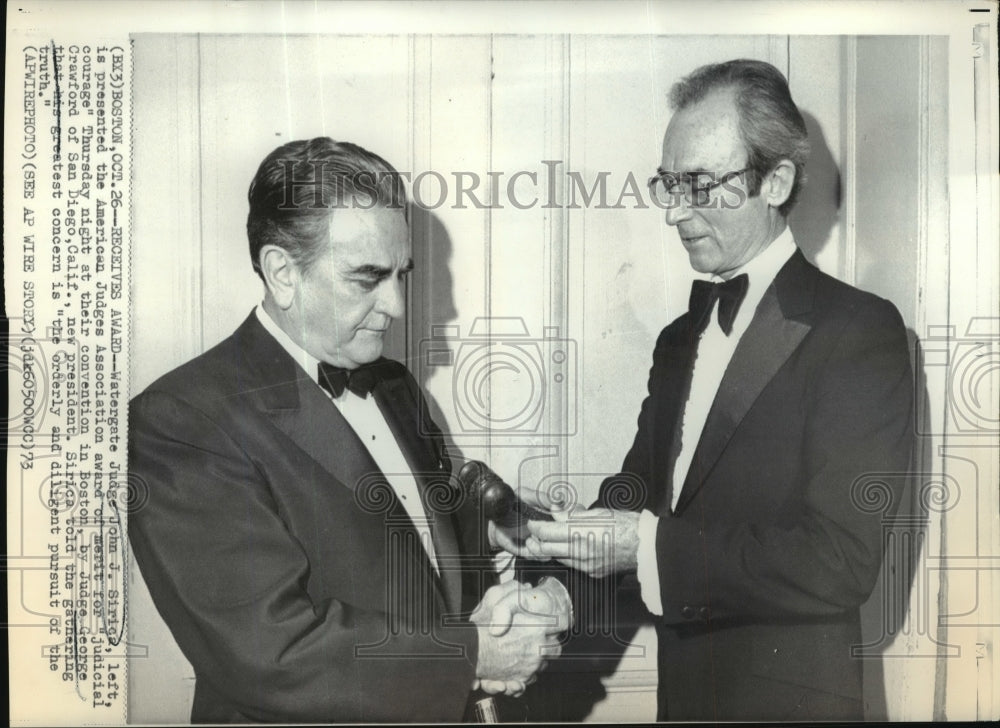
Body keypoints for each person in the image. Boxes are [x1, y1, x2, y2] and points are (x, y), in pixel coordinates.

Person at [499, 59, 915, 721]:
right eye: (669, 184)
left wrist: (644, 545)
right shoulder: (678, 338)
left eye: (698, 185)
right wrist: (562, 586)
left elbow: (842, 560)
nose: (673, 212)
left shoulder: (859, 331)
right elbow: (638, 495)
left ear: (776, 181)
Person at [128, 137, 571, 723]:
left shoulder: (392, 384)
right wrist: (474, 655)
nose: (396, 306)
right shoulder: (182, 418)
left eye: (401, 275)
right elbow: (270, 651)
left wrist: (488, 532)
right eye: (367, 278)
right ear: (282, 273)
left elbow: (396, 542)